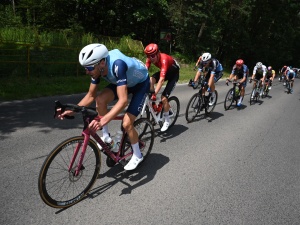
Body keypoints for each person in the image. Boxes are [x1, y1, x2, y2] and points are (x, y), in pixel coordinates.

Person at [56, 43, 150, 171]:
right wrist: (72, 110)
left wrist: (103, 120)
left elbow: (123, 102)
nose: (86, 71)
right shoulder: (98, 69)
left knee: (127, 123)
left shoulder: (118, 65)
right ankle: (106, 137)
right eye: (85, 68)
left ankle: (138, 155)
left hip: (140, 84)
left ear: (101, 63)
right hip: (123, 81)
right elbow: (91, 95)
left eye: (89, 68)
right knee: (100, 100)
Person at [144, 43, 180, 132]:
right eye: (149, 56)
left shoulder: (163, 59)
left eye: (152, 55)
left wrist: (155, 93)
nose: (151, 58)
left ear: (157, 53)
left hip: (173, 75)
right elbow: (144, 72)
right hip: (166, 72)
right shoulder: (149, 59)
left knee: (163, 98)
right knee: (150, 80)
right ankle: (154, 105)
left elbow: (161, 80)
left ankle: (167, 120)